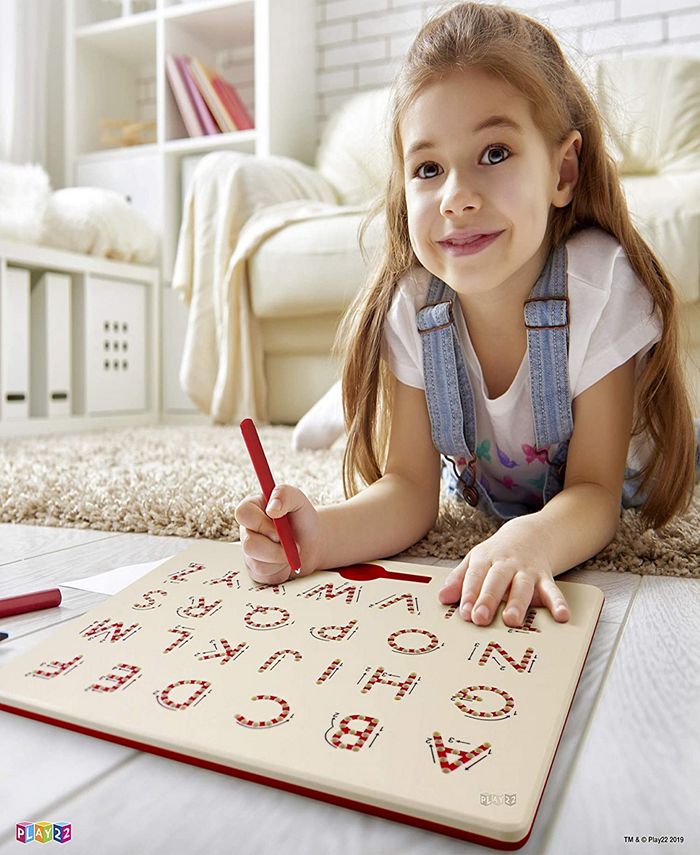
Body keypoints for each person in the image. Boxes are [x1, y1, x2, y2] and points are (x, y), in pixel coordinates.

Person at [235, 2, 700, 629]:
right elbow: (407, 491)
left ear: (563, 170)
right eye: (429, 169)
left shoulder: (597, 282)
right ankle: (342, 408)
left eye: (495, 152)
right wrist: (318, 536)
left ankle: (338, 409)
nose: (456, 196)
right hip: (494, 486)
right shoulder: (414, 304)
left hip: (627, 475)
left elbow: (594, 494)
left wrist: (529, 543)